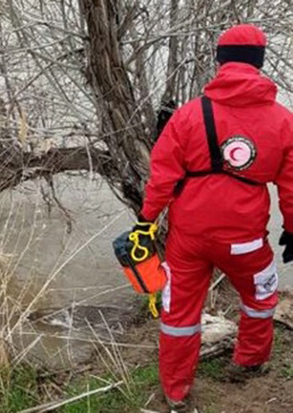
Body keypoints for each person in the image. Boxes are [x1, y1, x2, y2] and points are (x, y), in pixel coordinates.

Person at [137, 24, 293, 411]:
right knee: (260, 295)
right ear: (259, 64)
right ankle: (249, 360)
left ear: (219, 62)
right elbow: (291, 185)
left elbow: (162, 175)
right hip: (244, 237)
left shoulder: (189, 115)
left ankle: (175, 390)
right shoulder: (283, 121)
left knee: (179, 312)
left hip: (187, 236)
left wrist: (146, 222)